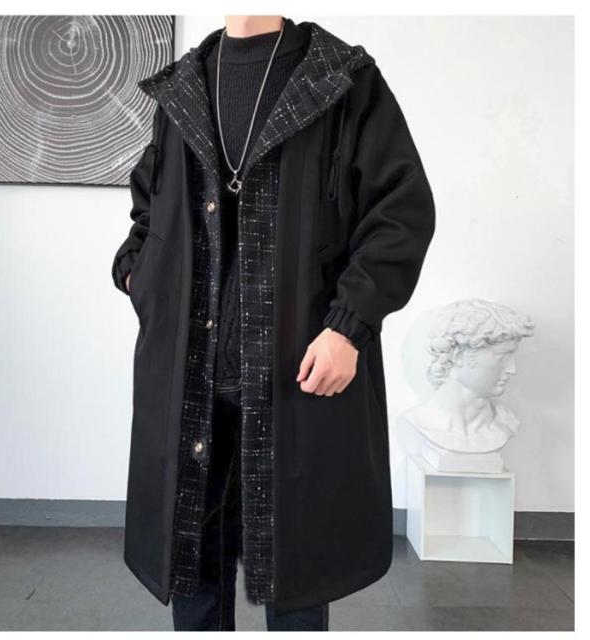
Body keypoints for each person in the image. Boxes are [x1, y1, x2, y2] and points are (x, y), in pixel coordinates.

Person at [112, 14, 435, 632]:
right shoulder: (183, 88)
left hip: (297, 369)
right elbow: (148, 208)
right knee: (193, 563)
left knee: (295, 570)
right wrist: (137, 272)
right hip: (190, 371)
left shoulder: (340, 78)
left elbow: (401, 212)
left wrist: (349, 326)